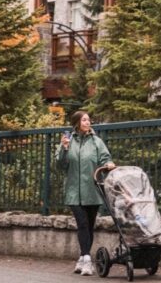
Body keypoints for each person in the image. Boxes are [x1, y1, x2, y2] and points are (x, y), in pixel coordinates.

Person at [56, 110, 115, 276]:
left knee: (89, 226)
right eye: (84, 120)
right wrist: (64, 149)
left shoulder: (96, 141)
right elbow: (61, 165)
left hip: (92, 191)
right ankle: (88, 260)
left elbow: (105, 158)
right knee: (82, 223)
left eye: (89, 120)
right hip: (74, 192)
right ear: (77, 123)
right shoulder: (68, 142)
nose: (87, 122)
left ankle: (82, 257)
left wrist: (108, 163)